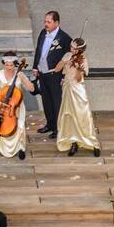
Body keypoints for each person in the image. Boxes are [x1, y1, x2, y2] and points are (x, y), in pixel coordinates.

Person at [53, 38, 99, 157]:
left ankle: (92, 143)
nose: (71, 49)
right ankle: (73, 142)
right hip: (67, 89)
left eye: (74, 48)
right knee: (69, 116)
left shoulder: (82, 59)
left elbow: (79, 79)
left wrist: (78, 67)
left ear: (80, 50)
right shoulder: (67, 55)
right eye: (71, 47)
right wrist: (64, 62)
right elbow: (57, 69)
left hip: (78, 90)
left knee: (82, 115)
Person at [31, 10, 72, 138]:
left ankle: (58, 128)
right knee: (46, 100)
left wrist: (64, 76)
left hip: (55, 74)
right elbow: (39, 50)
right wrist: (35, 66)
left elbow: (69, 57)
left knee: (56, 102)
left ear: (56, 22)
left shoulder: (65, 38)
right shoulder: (43, 33)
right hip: (42, 72)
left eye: (49, 22)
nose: (46, 24)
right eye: (45, 21)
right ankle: (49, 124)